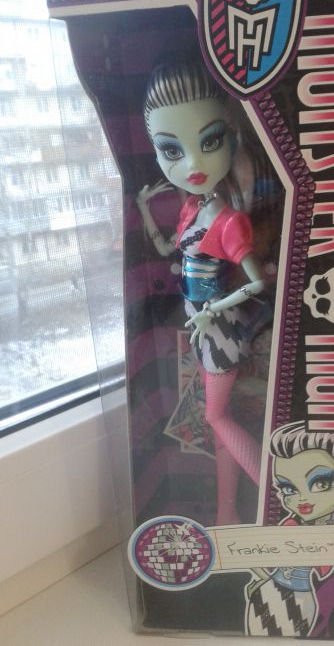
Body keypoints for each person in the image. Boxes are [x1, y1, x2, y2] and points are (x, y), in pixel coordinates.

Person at [136, 58, 264, 525]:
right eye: (171, 150)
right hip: (202, 324)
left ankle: (275, 495)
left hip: (219, 330)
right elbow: (166, 248)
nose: (192, 164)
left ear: (231, 135)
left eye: (209, 142)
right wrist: (144, 207)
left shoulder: (228, 220)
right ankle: (227, 513)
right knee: (219, 419)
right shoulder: (193, 207)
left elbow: (256, 281)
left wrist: (213, 311)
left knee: (216, 417)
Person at [246, 422, 334, 638]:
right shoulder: (289, 527)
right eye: (288, 488)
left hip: (301, 602)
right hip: (267, 595)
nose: (302, 498)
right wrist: (263, 581)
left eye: (321, 484)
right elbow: (251, 557)